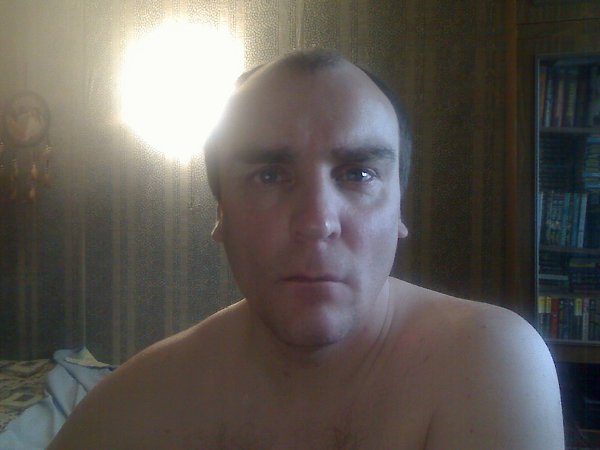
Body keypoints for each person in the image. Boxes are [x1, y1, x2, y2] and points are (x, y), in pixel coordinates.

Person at [49, 49, 564, 449]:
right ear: (221, 213)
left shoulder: (491, 365)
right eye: (269, 175)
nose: (317, 223)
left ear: (399, 210)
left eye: (359, 174)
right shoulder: (132, 411)